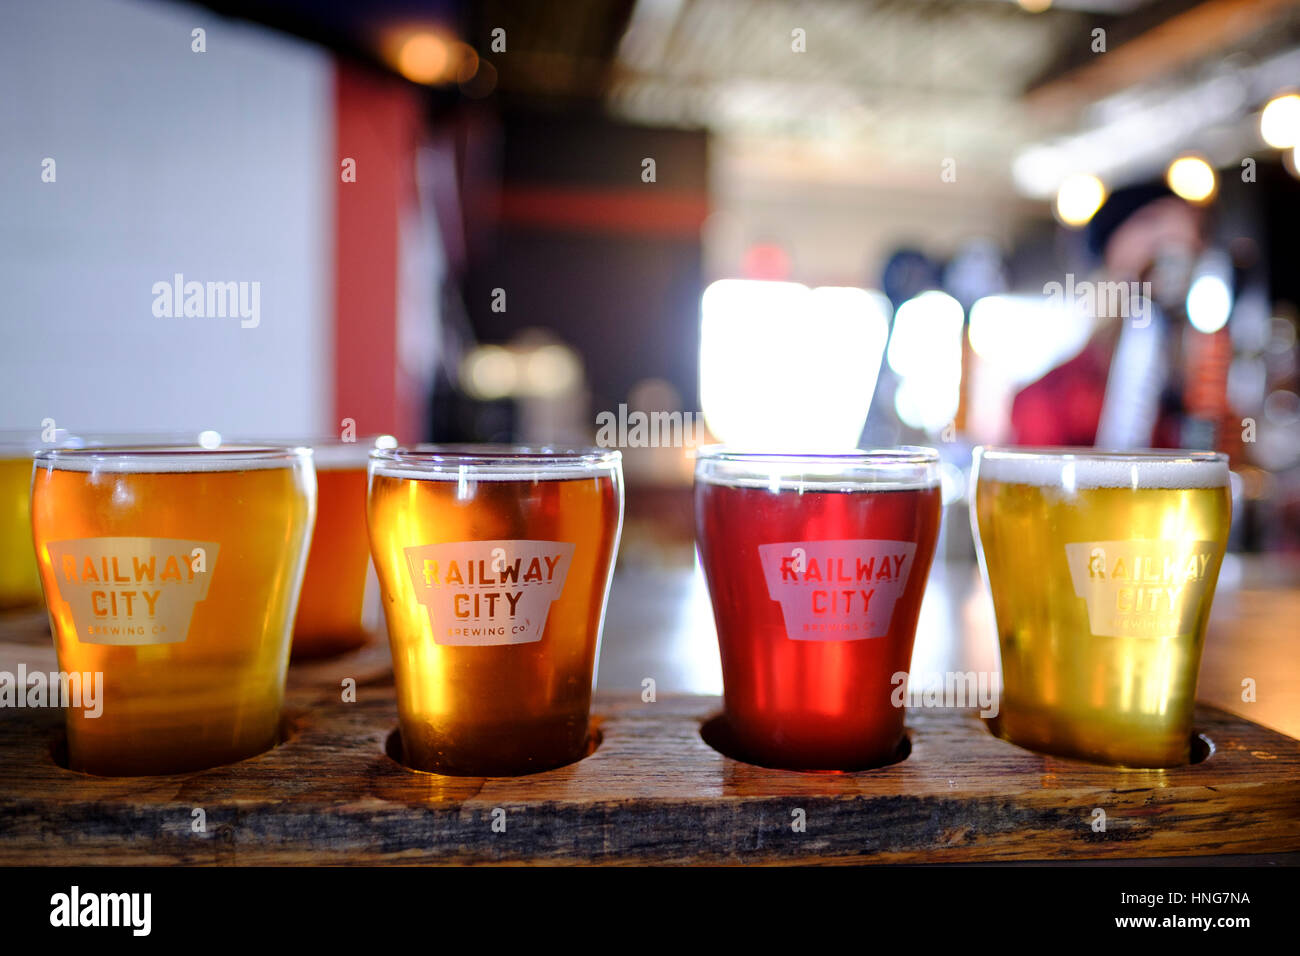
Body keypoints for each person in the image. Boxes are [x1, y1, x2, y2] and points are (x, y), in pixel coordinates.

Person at [1010, 182, 1205, 448]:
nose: (1176, 242)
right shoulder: (1049, 397)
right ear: (1111, 251)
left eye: (1187, 251)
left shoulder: (1201, 389)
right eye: (1151, 222)